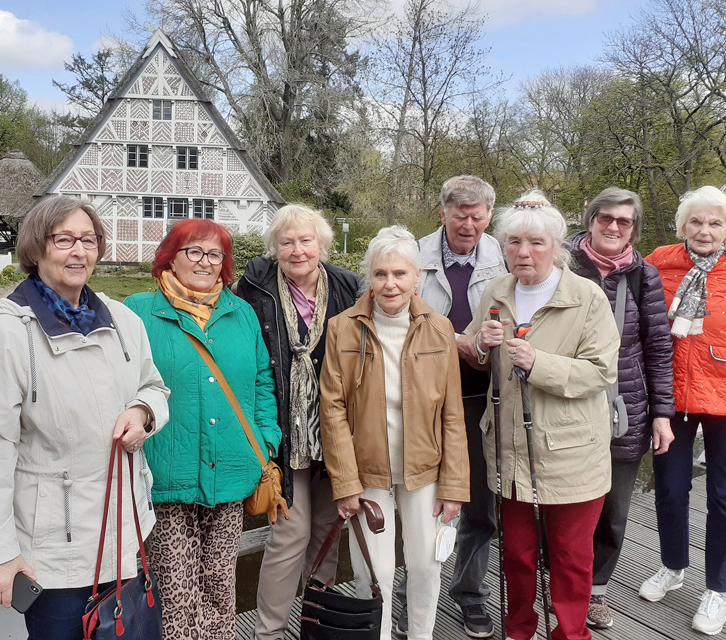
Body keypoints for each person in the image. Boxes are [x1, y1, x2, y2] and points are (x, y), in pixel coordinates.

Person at [0, 195, 170, 640]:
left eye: (89, 240)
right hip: (55, 549)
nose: (80, 251)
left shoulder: (125, 321)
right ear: (36, 250)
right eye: (65, 240)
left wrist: (144, 411)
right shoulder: (9, 335)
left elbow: (154, 387)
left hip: (123, 533)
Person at [462, 192, 619, 640]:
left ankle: (571, 633)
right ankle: (520, 630)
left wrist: (538, 362)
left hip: (571, 455)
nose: (523, 252)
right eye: (512, 242)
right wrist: (480, 346)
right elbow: (476, 355)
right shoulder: (496, 290)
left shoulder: (587, 297)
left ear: (557, 246)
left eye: (535, 243)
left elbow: (601, 371)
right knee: (516, 553)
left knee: (570, 557)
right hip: (509, 449)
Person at [125, 219, 280, 639]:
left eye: (215, 254)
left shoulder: (241, 312)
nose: (205, 262)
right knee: (177, 596)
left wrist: (265, 443)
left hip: (231, 470)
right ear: (170, 259)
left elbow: (262, 382)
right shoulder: (138, 311)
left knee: (220, 589)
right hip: (166, 474)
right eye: (193, 251)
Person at [321, 225, 469, 640]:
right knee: (376, 569)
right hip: (367, 470)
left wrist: (455, 485)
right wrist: (345, 483)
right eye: (381, 274)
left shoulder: (439, 328)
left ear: (417, 277)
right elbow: (331, 410)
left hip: (424, 467)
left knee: (425, 564)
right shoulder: (342, 328)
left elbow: (453, 413)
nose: (390, 284)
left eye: (400, 274)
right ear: (369, 276)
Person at [639, 185, 726, 636]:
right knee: (671, 489)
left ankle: (718, 591)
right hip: (671, 397)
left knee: (725, 495)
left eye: (715, 223)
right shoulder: (659, 261)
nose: (705, 230)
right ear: (682, 226)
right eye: (696, 221)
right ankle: (672, 566)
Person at [237, 204, 361, 640]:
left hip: (335, 431)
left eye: (306, 240)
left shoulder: (348, 286)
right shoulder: (256, 286)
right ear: (275, 249)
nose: (297, 250)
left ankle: (314, 624)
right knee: (290, 535)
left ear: (321, 244)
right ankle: (269, 631)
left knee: (327, 532)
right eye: (287, 242)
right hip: (282, 432)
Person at [566, 187, 675, 629]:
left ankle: (595, 591)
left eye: (624, 222)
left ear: (633, 228)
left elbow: (658, 347)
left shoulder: (643, 276)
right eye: (605, 218)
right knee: (564, 504)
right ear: (590, 219)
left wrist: (662, 413)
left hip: (623, 409)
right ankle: (559, 581)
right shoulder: (563, 265)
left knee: (614, 510)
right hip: (566, 404)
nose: (613, 227)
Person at [412, 174, 506, 638]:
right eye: (459, 214)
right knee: (423, 501)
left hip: (485, 397)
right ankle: (417, 594)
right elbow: (400, 311)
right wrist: (457, 340)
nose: (468, 224)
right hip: (426, 397)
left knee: (481, 505)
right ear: (443, 212)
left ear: (489, 215)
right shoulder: (413, 256)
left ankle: (470, 593)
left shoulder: (506, 256)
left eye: (477, 215)